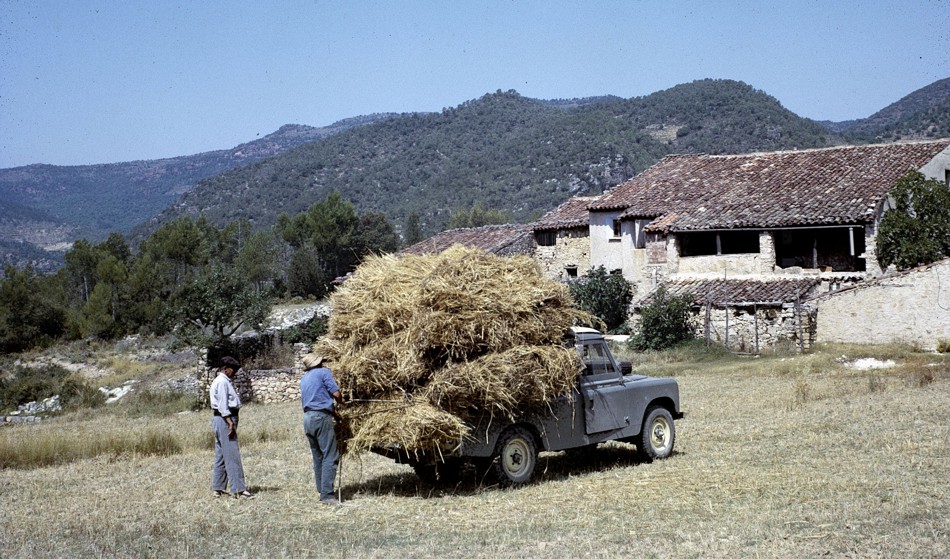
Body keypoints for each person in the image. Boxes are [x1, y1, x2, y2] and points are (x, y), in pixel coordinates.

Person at [300, 353, 344, 505]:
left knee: (318, 455)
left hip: (308, 419)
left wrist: (334, 414)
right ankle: (327, 496)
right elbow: (336, 393)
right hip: (321, 418)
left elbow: (315, 400)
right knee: (331, 455)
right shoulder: (324, 373)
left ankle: (321, 489)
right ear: (319, 364)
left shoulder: (304, 378)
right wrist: (341, 401)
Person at [210, 356, 254, 499]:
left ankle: (218, 487)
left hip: (219, 419)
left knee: (221, 454)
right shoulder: (222, 382)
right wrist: (229, 422)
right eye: (233, 370)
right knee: (232, 454)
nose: (234, 373)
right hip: (225, 418)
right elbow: (223, 405)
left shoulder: (219, 381)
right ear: (226, 369)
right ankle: (239, 490)